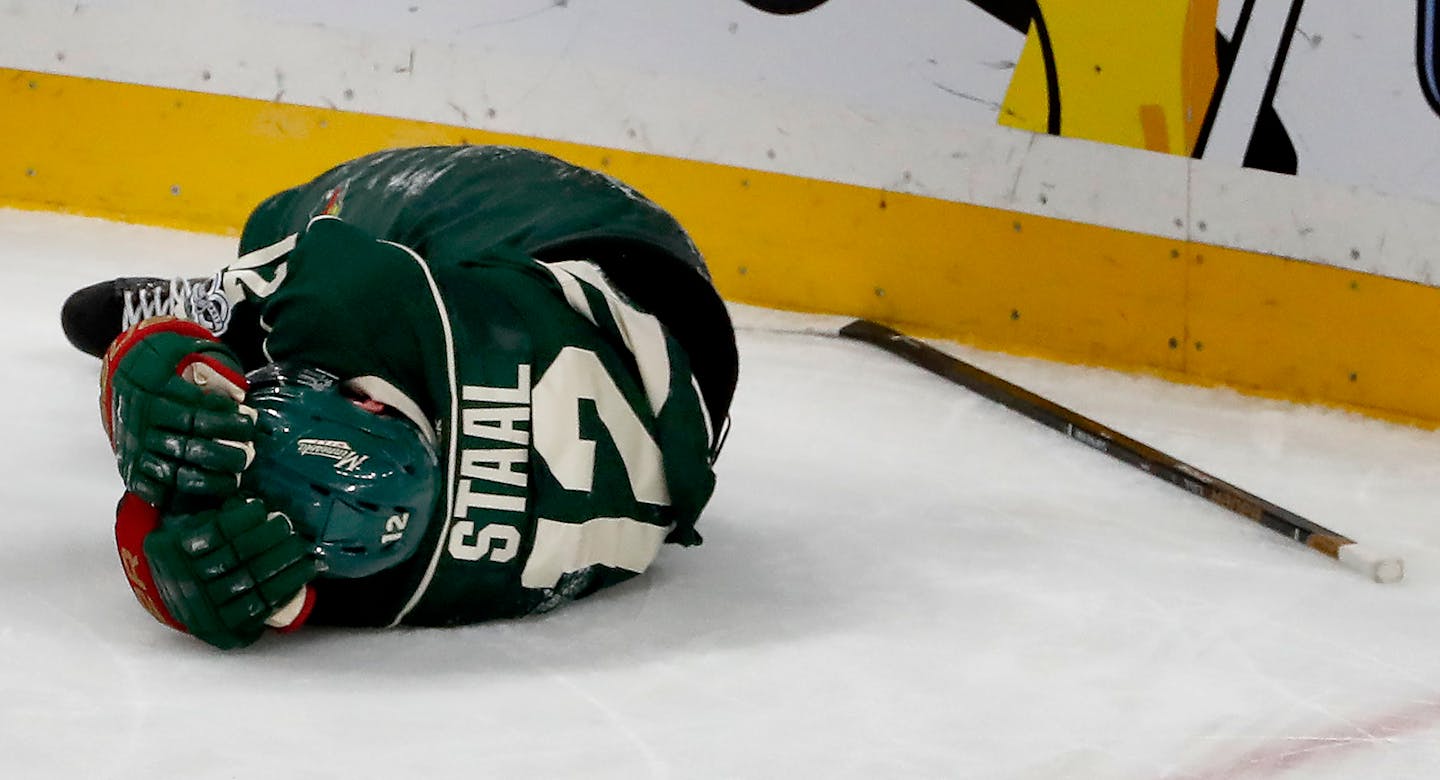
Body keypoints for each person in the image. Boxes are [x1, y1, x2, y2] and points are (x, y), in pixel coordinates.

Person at [63, 145, 739, 650]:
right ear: (370, 405)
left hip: (693, 384)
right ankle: (225, 304)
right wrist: (158, 365)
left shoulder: (412, 584)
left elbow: (281, 582)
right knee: (293, 223)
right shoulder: (368, 304)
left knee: (285, 241)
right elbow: (317, 276)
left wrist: (236, 584)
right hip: (584, 228)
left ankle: (228, 307)